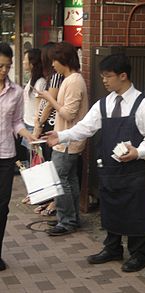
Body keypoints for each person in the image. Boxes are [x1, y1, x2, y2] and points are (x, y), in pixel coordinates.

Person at [44, 53, 145, 272]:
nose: (104, 81)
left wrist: (138, 151)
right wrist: (60, 136)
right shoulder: (104, 104)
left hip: (136, 171)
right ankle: (112, 248)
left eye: (108, 76)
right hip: (111, 169)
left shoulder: (144, 104)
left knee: (137, 212)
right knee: (111, 209)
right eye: (103, 76)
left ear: (123, 76)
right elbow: (85, 127)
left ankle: (140, 254)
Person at [38, 41, 88, 236]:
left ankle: (66, 221)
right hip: (66, 139)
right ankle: (70, 218)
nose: (52, 65)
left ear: (63, 60)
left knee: (60, 180)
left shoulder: (74, 81)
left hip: (67, 141)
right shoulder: (71, 79)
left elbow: (68, 114)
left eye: (54, 61)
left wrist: (49, 98)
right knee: (69, 180)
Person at [0, 42, 35, 271]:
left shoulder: (17, 92)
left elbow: (16, 122)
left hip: (5, 155)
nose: (4, 70)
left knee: (2, 207)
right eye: (0, 66)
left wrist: (28, 136)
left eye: (7, 66)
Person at [31, 42, 63, 215]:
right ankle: (48, 198)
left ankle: (53, 201)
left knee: (50, 164)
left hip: (50, 124)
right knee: (46, 163)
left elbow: (50, 103)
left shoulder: (57, 77)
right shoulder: (51, 76)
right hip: (46, 123)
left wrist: (39, 123)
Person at [21, 48, 46, 162]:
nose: (23, 62)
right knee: (29, 158)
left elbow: (40, 107)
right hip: (27, 123)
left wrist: (37, 128)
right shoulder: (32, 79)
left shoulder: (40, 82)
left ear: (32, 63)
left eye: (25, 59)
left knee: (34, 159)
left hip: (33, 126)